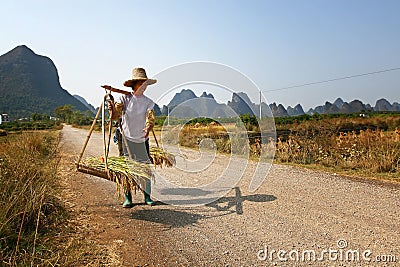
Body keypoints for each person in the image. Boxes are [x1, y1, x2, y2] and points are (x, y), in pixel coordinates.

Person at [108, 67, 156, 207]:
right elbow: (116, 116)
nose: (144, 86)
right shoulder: (124, 98)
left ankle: (147, 197)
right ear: (134, 84)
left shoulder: (148, 101)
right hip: (126, 138)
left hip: (142, 139)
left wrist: (148, 126)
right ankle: (128, 198)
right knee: (127, 167)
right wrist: (113, 110)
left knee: (145, 168)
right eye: (141, 83)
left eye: (145, 83)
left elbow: (150, 116)